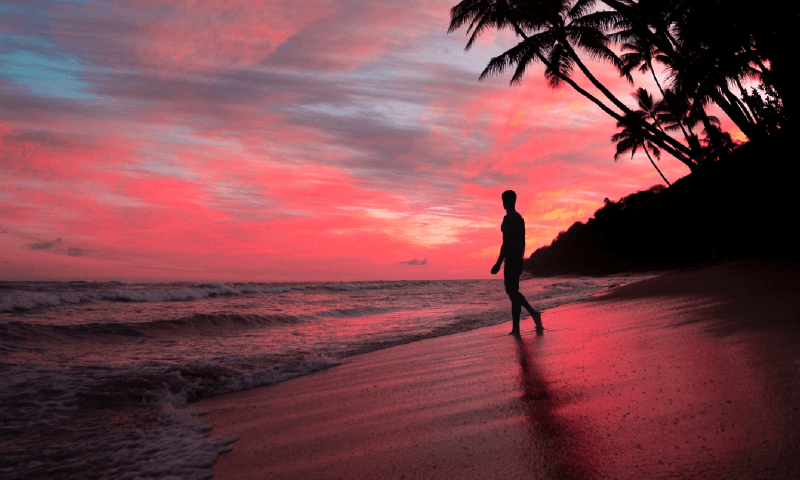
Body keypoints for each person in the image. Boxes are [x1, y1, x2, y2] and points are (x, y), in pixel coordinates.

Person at [491, 190, 543, 336]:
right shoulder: (520, 218)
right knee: (513, 292)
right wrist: (521, 259)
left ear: (504, 202)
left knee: (511, 291)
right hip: (518, 258)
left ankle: (533, 313)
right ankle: (516, 328)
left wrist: (498, 263)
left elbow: (506, 243)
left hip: (511, 259)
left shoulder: (508, 219)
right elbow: (522, 242)